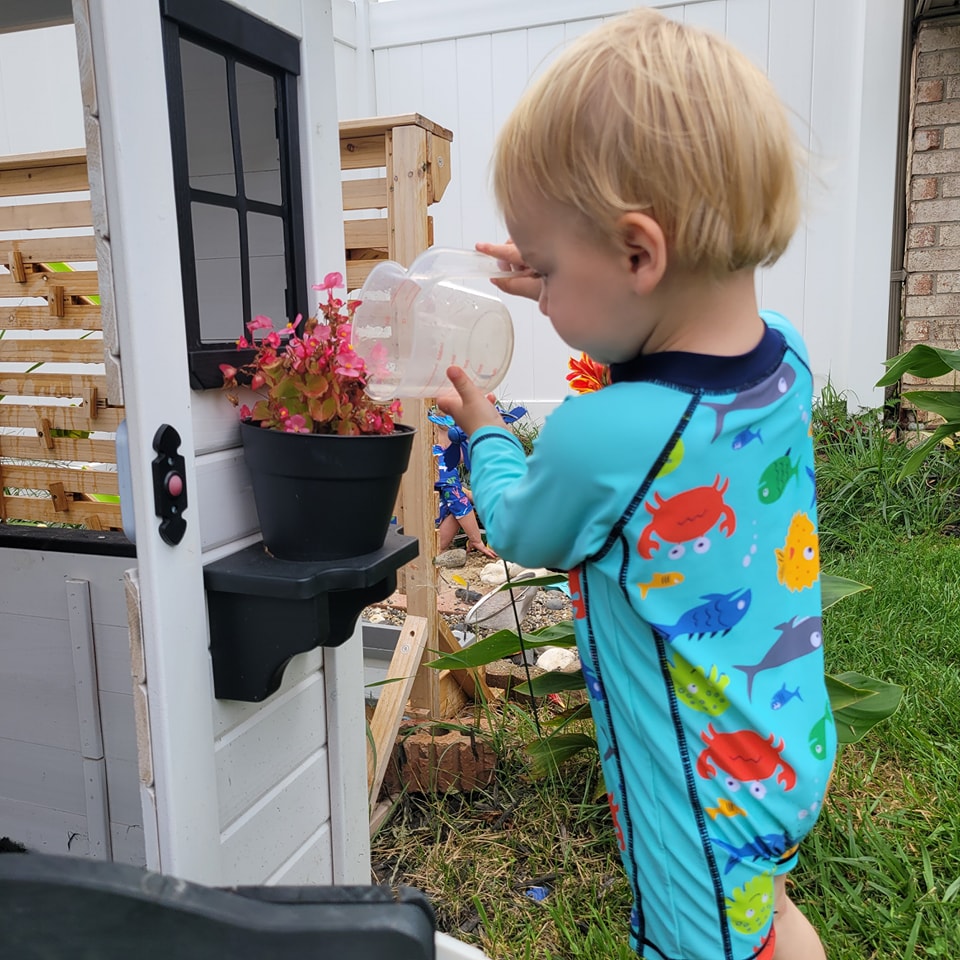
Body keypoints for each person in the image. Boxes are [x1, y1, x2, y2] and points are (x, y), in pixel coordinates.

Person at [438, 9, 835, 960]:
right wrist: (566, 281)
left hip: (695, 791)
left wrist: (488, 433)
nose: (538, 285)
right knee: (761, 914)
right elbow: (662, 367)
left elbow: (520, 525)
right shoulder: (786, 355)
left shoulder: (602, 437)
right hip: (781, 743)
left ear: (638, 254)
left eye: (545, 266)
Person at [431, 414, 498, 559]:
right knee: (462, 506)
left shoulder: (431, 454)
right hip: (425, 533)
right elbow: (460, 506)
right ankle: (437, 549)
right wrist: (476, 539)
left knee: (458, 496)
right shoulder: (443, 467)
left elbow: (457, 490)